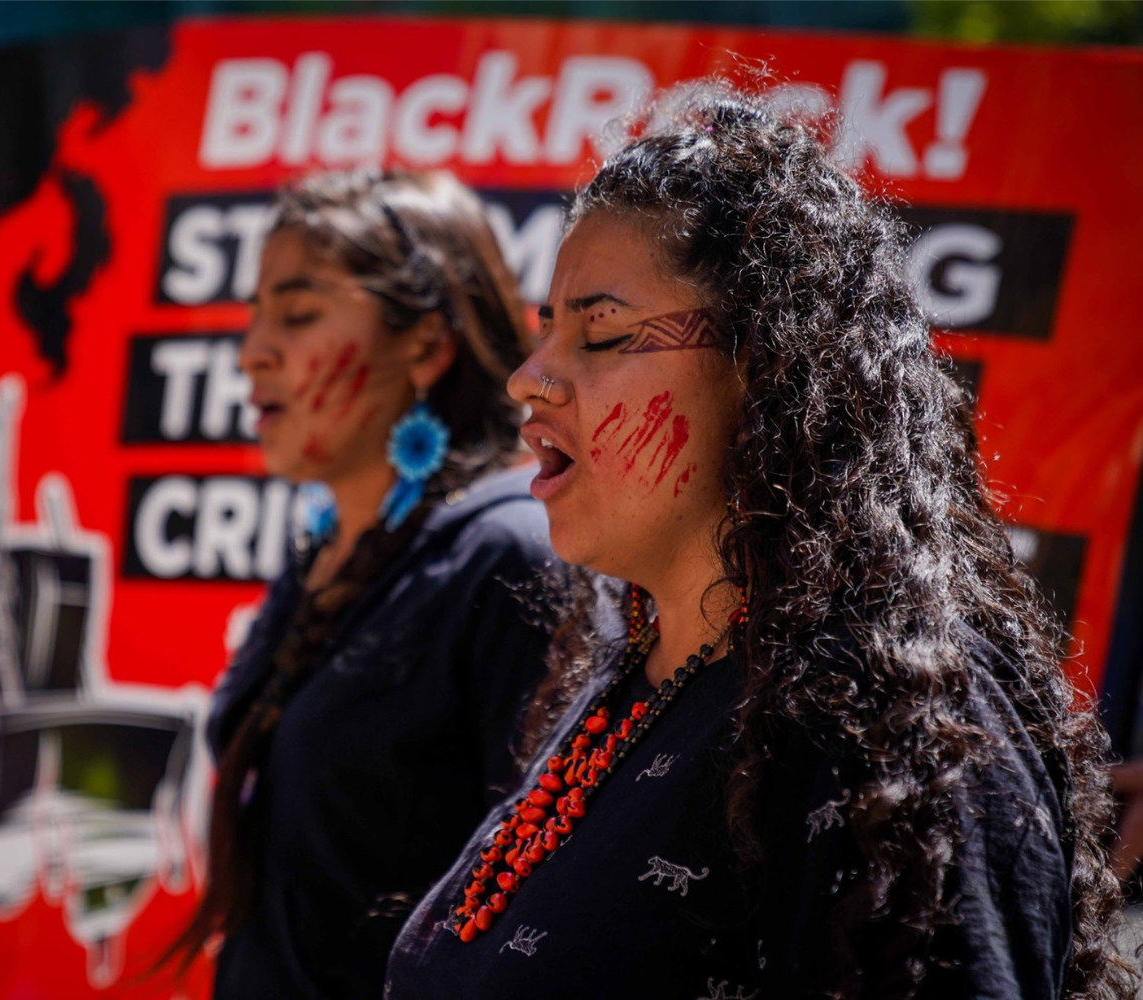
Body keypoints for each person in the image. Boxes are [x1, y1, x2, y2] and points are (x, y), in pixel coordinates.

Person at [385, 84, 1133, 999]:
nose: (529, 380)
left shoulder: (885, 717)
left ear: (768, 369)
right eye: (547, 332)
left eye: (603, 332)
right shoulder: (640, 682)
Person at [163, 169, 555, 999]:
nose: (253, 352)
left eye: (299, 315)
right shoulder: (329, 548)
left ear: (426, 344)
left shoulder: (511, 555)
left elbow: (537, 914)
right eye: (256, 315)